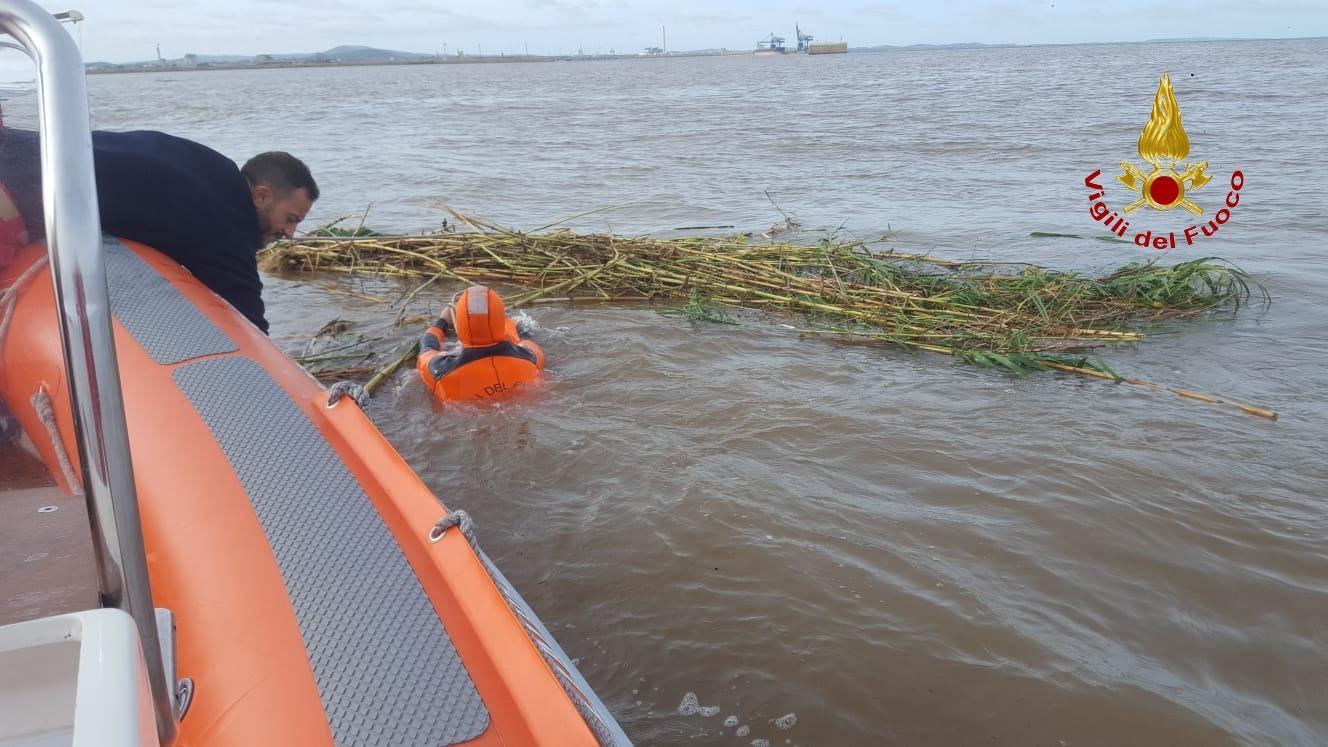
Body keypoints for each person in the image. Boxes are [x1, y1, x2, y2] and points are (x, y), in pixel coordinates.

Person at [0, 127, 317, 333]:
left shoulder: (213, 168)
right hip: (13, 190)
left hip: (16, 144)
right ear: (261, 196)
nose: (289, 234)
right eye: (291, 219)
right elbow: (248, 321)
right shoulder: (227, 221)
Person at [416, 285, 545, 403]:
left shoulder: (439, 372)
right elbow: (524, 336)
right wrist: (502, 318)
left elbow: (427, 345)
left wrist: (443, 321)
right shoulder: (531, 358)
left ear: (459, 327)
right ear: (499, 322)